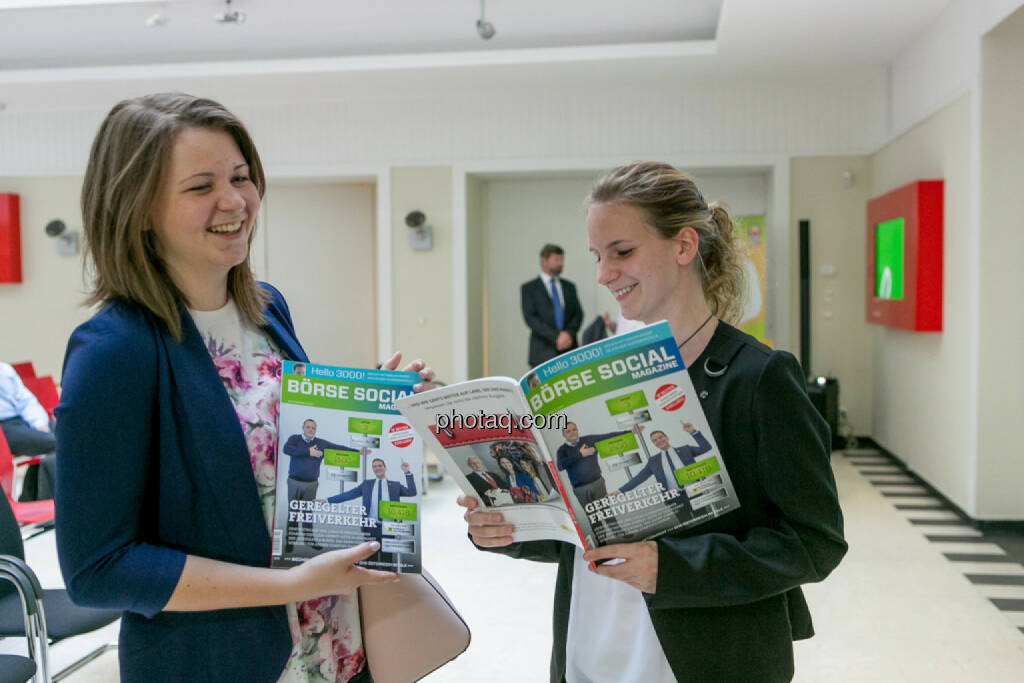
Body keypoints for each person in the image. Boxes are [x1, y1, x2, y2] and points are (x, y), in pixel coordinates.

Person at [54, 93, 435, 683]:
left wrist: (371, 411)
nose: (234, 201)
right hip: (218, 662)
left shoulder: (266, 308)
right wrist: (289, 585)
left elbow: (275, 468)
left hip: (336, 649)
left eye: (240, 177)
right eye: (200, 186)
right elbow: (99, 569)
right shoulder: (113, 350)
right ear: (139, 208)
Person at [459, 161, 847, 682]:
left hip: (705, 660)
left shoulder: (758, 377)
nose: (603, 275)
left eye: (622, 252)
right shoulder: (591, 376)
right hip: (591, 648)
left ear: (684, 246)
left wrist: (672, 568)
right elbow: (584, 529)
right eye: (597, 256)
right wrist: (509, 528)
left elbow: (815, 542)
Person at [281, 418, 364, 552]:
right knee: (293, 512)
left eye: (313, 428)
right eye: (308, 427)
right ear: (303, 428)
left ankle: (309, 540)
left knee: (308, 513)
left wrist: (356, 451)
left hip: (311, 484)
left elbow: (337, 447)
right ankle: (290, 541)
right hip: (294, 482)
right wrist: (308, 452)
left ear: (315, 430)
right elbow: (286, 449)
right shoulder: (294, 439)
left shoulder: (321, 443)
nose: (310, 430)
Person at [0, 361, 57, 500]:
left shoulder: (4, 369)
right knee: (59, 443)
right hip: (4, 427)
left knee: (72, 434)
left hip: (23, 421)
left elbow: (26, 401)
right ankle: (49, 501)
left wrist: (39, 424)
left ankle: (29, 497)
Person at [521, 243, 583, 368]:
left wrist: (568, 334)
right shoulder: (529, 288)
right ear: (544, 261)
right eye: (556, 259)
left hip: (569, 351)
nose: (561, 263)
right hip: (542, 353)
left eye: (562, 260)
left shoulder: (570, 287)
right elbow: (531, 319)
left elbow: (578, 313)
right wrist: (556, 337)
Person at [614, 422, 712, 496]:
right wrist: (619, 491)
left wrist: (692, 432)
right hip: (674, 498)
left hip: (695, 491)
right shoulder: (653, 461)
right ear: (654, 444)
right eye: (655, 440)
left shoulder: (685, 449)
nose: (658, 441)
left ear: (667, 437)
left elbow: (706, 448)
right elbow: (639, 478)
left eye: (660, 437)